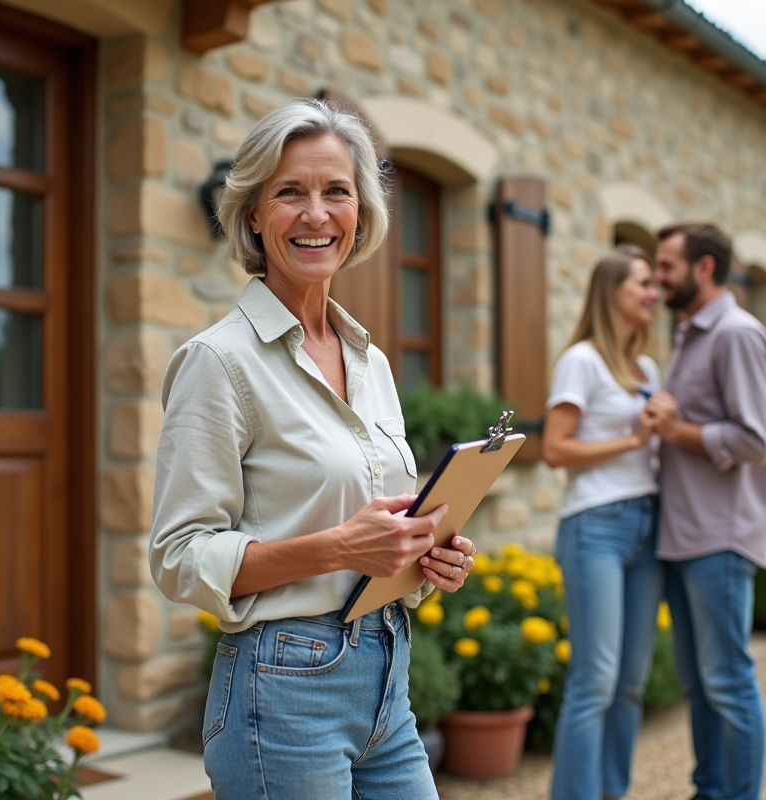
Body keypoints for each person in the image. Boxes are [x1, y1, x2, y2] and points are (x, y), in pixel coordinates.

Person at [147, 99, 477, 800]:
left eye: (336, 191)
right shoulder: (218, 362)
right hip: (281, 694)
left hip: (387, 679)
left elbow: (376, 522)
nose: (316, 213)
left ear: (360, 213)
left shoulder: (372, 362)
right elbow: (179, 557)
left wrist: (427, 554)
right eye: (290, 192)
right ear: (255, 214)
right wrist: (336, 549)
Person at [643, 222, 766, 800]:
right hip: (684, 534)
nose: (657, 276)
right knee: (700, 684)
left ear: (704, 268)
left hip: (720, 537)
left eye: (667, 265)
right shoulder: (689, 335)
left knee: (727, 682)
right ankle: (710, 789)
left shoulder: (736, 334)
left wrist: (679, 430)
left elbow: (755, 440)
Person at [543, 244, 664, 800]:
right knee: (595, 681)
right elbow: (555, 449)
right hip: (597, 526)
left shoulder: (647, 369)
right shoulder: (582, 360)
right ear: (611, 291)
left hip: (648, 523)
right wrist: (633, 439)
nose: (653, 293)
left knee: (631, 684)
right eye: (642, 283)